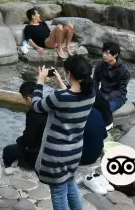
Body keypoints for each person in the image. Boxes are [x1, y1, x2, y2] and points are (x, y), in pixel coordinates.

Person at [32, 56, 96, 210]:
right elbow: (71, 94)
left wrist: (40, 81)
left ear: (69, 74)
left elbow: (36, 106)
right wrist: (60, 82)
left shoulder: (60, 97)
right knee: (70, 183)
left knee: (58, 192)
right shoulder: (91, 94)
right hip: (74, 152)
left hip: (56, 155)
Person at [3, 77, 108, 170]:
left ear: (29, 98)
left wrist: (20, 142)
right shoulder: (92, 113)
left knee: (8, 151)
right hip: (90, 154)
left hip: (64, 158)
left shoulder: (36, 112)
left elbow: (29, 140)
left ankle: (9, 167)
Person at [93, 41, 130, 113]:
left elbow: (121, 90)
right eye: (103, 52)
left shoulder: (124, 69)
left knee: (105, 110)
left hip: (118, 97)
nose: (104, 55)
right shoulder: (100, 65)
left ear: (115, 54)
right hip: (103, 93)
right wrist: (95, 94)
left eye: (107, 53)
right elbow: (95, 81)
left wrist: (106, 98)